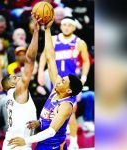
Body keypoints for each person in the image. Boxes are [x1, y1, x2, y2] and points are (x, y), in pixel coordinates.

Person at [9, 18, 83, 150]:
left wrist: (25, 141)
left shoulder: (66, 105)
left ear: (69, 91)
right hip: (43, 143)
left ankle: (74, 140)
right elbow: (50, 58)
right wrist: (47, 29)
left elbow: (51, 131)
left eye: (63, 81)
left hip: (53, 147)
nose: (58, 80)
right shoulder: (57, 89)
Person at [38, 16, 90, 149]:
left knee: (70, 112)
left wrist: (83, 77)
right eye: (64, 24)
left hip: (70, 85)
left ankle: (73, 141)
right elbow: (46, 56)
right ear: (61, 26)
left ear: (74, 27)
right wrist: (39, 72)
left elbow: (86, 61)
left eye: (69, 25)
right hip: (56, 81)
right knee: (51, 112)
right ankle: (58, 136)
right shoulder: (54, 40)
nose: (66, 27)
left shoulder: (79, 42)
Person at [1, 14, 42, 150]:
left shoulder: (9, 97)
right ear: (12, 85)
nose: (18, 77)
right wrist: (35, 32)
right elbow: (30, 60)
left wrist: (38, 122)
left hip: (10, 141)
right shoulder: (19, 90)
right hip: (19, 145)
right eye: (14, 78)